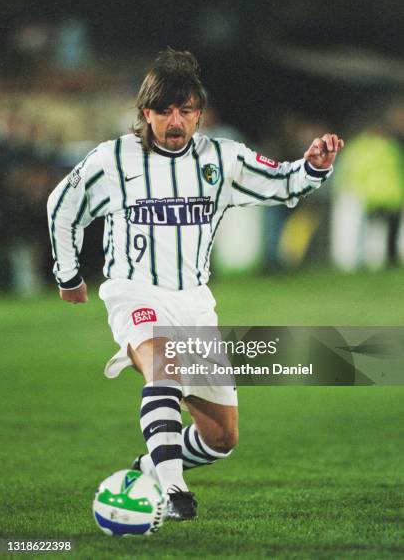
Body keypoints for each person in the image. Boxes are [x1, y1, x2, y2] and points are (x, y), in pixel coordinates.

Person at [47, 49, 344, 521]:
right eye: (164, 110)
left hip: (194, 304)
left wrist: (313, 166)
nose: (175, 121)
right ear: (146, 112)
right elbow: (62, 206)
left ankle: (148, 468)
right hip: (134, 292)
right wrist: (68, 275)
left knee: (222, 437)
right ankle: (173, 490)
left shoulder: (221, 159)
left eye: (185, 111)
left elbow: (282, 184)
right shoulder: (113, 159)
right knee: (161, 366)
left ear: (199, 114)